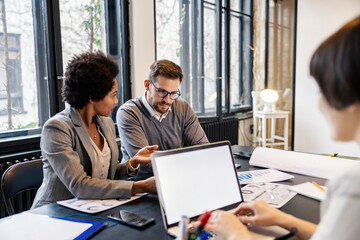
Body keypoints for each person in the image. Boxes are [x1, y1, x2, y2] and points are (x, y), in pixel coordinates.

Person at [204, 15, 360, 240]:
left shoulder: (353, 185)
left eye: (321, 90)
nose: (320, 104)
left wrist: (236, 234)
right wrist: (282, 219)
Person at [32, 51, 158, 208]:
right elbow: (80, 186)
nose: (116, 101)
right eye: (113, 95)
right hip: (55, 213)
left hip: (94, 207)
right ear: (92, 96)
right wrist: (142, 186)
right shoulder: (57, 128)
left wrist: (132, 163)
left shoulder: (106, 123)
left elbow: (106, 174)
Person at [117, 59, 209, 179]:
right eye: (162, 92)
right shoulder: (128, 113)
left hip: (177, 177)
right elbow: (146, 164)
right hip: (142, 184)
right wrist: (187, 158)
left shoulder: (182, 107)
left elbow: (203, 148)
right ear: (147, 85)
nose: (167, 100)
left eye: (173, 93)